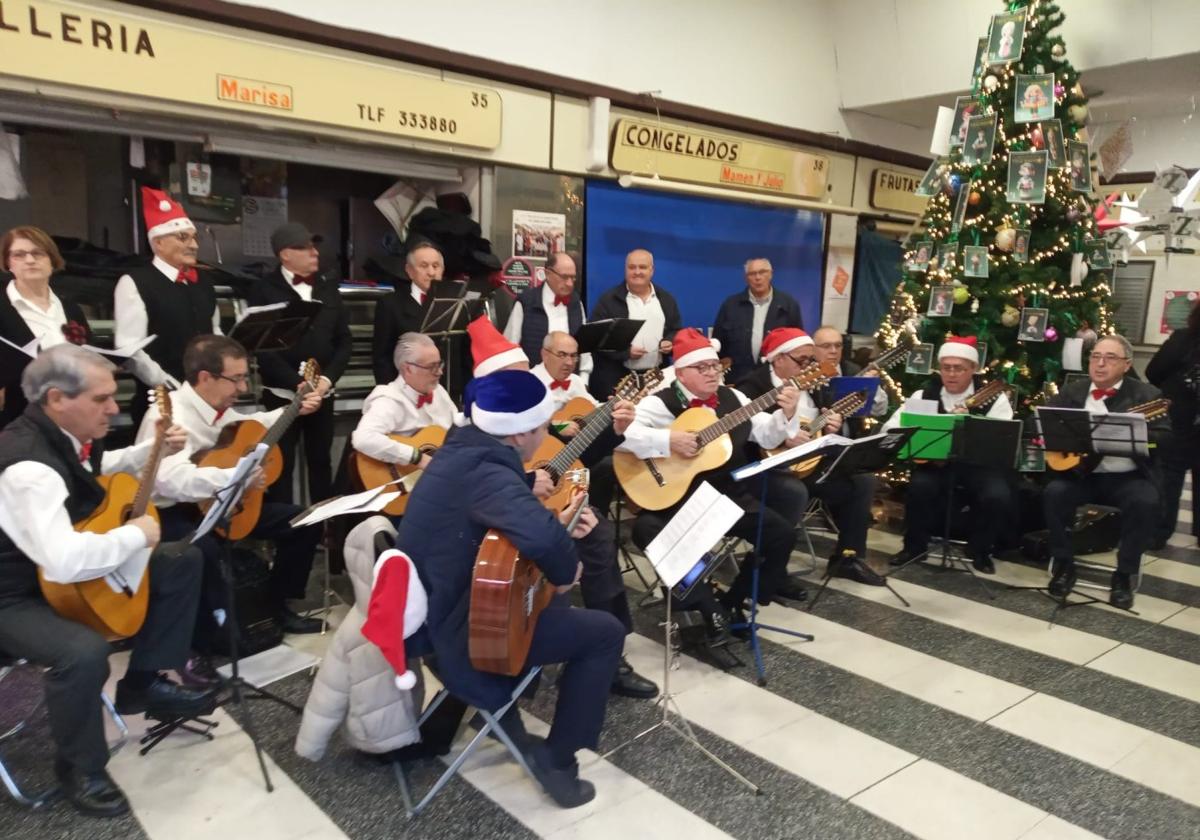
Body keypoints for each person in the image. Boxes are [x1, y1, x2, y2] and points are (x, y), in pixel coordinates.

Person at [0, 345, 217, 817]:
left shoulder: (60, 432)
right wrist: (133, 535)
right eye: (102, 399)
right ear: (57, 398)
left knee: (181, 559)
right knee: (82, 652)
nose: (115, 408)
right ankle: (81, 767)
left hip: (50, 576)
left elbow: (92, 469)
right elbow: (61, 562)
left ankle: (143, 683)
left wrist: (150, 451)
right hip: (11, 594)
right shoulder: (27, 467)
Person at [397, 369, 625, 808]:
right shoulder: (489, 473)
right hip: (461, 634)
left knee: (550, 605)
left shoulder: (458, 449)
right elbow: (542, 539)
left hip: (431, 613)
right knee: (603, 633)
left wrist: (524, 487)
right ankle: (560, 762)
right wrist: (567, 570)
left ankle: (456, 721)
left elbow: (475, 502)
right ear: (521, 433)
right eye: (544, 428)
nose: (546, 436)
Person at [469, 318, 656, 698]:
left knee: (598, 532)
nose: (526, 386)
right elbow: (482, 484)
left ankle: (611, 650)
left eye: (574, 355)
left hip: (544, 506)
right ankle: (528, 656)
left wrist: (612, 430)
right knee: (579, 539)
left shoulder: (569, 394)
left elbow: (578, 455)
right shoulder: (473, 424)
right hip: (500, 532)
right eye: (562, 354)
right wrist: (529, 483)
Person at [140, 335, 326, 646]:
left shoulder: (219, 406)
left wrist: (293, 411)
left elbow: (249, 424)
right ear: (205, 378)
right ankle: (215, 636)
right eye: (236, 379)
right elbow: (168, 479)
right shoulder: (169, 415)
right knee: (205, 552)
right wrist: (234, 476)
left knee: (304, 521)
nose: (242, 388)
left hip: (223, 504)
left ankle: (277, 605)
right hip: (173, 511)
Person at [620, 328, 802, 619]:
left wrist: (787, 415)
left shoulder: (734, 397)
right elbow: (622, 435)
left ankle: (734, 602)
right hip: (676, 501)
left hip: (726, 497)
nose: (711, 373)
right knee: (647, 532)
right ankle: (706, 608)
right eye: (701, 367)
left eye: (715, 366)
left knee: (782, 535)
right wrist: (669, 441)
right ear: (680, 374)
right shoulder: (659, 402)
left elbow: (767, 437)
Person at [738, 328, 884, 587]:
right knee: (793, 492)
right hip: (767, 466)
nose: (807, 366)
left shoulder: (813, 381)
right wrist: (783, 437)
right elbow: (745, 432)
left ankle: (847, 558)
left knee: (863, 481)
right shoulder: (752, 386)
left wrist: (830, 424)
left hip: (809, 461)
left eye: (809, 361)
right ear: (779, 358)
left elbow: (819, 419)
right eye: (801, 360)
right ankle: (772, 572)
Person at [1044, 335, 1170, 608]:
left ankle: (1124, 574)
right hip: (1083, 474)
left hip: (1129, 476)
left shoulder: (1148, 397)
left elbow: (1164, 439)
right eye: (1095, 357)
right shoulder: (1072, 392)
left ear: (1126, 365)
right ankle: (1064, 565)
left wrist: (1139, 437)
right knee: (1054, 493)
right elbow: (1042, 421)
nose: (1100, 364)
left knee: (1145, 502)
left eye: (1110, 358)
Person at [884, 336, 1013, 574]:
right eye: (946, 368)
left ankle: (980, 549)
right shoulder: (924, 394)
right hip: (935, 463)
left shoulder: (994, 399)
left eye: (959, 369)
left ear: (973, 369)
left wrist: (972, 425)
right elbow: (892, 427)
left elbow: (1001, 439)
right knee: (920, 486)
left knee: (997, 495)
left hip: (978, 467)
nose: (951, 374)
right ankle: (914, 547)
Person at [247, 222, 352, 506]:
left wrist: (326, 381)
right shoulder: (263, 290)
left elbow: (344, 341)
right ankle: (288, 533)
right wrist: (298, 385)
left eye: (313, 246)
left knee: (321, 462)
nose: (313, 253)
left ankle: (325, 532)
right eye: (304, 247)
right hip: (283, 396)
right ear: (285, 254)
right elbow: (262, 348)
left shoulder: (329, 288)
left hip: (322, 393)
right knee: (281, 465)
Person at [115, 187, 222, 429]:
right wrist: (169, 384)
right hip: (161, 402)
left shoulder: (204, 281)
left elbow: (214, 332)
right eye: (183, 237)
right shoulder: (135, 282)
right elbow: (129, 348)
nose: (193, 245)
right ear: (158, 242)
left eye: (194, 237)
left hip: (207, 399)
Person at [0, 226, 94, 427]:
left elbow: (89, 355)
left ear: (52, 260)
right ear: (8, 263)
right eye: (19, 254)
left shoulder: (70, 308)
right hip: (20, 419)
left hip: (75, 414)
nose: (30, 260)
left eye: (38, 253)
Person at [372, 241, 472, 400]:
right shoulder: (391, 304)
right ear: (409, 271)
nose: (431, 272)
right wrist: (390, 396)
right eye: (424, 266)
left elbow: (465, 353)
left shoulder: (458, 302)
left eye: (436, 266)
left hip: (449, 391)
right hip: (406, 393)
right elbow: (381, 357)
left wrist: (467, 391)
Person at [352, 332, 455, 470]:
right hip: (405, 480)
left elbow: (457, 428)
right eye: (432, 367)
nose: (439, 372)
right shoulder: (388, 400)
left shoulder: (439, 391)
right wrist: (416, 457)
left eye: (440, 364)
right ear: (408, 369)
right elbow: (363, 438)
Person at [589, 249, 681, 400]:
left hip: (656, 380)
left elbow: (676, 330)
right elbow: (595, 338)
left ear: (652, 270)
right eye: (632, 267)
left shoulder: (666, 299)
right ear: (625, 270)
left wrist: (669, 341)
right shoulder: (608, 300)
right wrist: (625, 352)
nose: (637, 272)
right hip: (619, 383)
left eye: (642, 267)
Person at [1147, 303, 1200, 546]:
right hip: (1184, 417)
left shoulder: (1182, 339)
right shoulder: (1182, 338)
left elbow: (1153, 371)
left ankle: (1159, 531)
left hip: (1179, 414)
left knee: (1171, 475)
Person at [712, 258, 803, 385]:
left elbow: (799, 347)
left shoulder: (788, 305)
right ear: (746, 278)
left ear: (771, 274)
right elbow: (717, 344)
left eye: (762, 272)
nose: (758, 277)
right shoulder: (731, 305)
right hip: (738, 380)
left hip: (775, 381)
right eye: (752, 274)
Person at [504, 252, 591, 378]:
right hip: (533, 383)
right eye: (564, 277)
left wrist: (583, 381)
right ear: (548, 274)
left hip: (570, 385)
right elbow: (509, 348)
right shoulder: (526, 302)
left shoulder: (576, 304)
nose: (570, 283)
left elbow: (584, 350)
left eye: (573, 278)